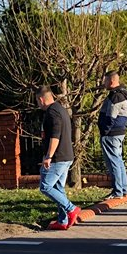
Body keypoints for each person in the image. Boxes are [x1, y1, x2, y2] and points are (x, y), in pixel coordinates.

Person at [35, 86, 81, 231]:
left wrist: (48, 156)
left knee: (45, 186)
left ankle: (71, 209)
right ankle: (62, 221)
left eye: (37, 101)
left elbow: (55, 136)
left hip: (58, 158)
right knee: (57, 187)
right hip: (66, 156)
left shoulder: (52, 112)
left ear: (41, 99)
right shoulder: (60, 109)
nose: (37, 104)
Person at [98, 71, 127, 200]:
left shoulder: (115, 97)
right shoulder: (122, 94)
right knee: (118, 162)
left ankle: (118, 191)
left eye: (106, 81)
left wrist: (104, 131)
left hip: (111, 134)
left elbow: (110, 117)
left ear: (112, 81)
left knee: (113, 162)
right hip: (118, 133)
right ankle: (124, 189)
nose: (104, 83)